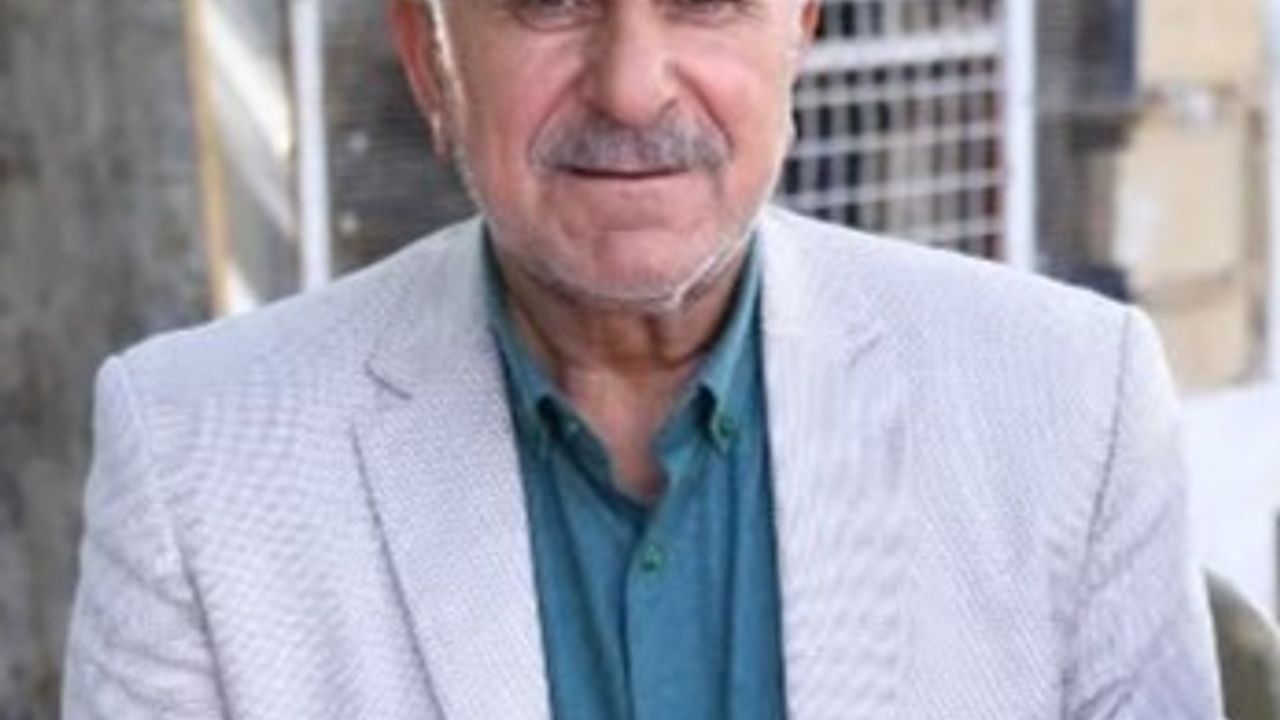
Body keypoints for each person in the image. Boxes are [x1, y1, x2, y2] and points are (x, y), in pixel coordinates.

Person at [62, 0, 1224, 717]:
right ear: (428, 56)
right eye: (549, 3)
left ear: (799, 28)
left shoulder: (1070, 403)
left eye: (703, 1)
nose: (629, 85)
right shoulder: (195, 457)